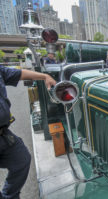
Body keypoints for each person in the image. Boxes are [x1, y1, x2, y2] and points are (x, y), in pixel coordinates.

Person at [0, 65, 56, 199]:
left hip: (2, 133)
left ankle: (10, 196)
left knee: (22, 159)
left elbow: (19, 73)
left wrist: (44, 76)